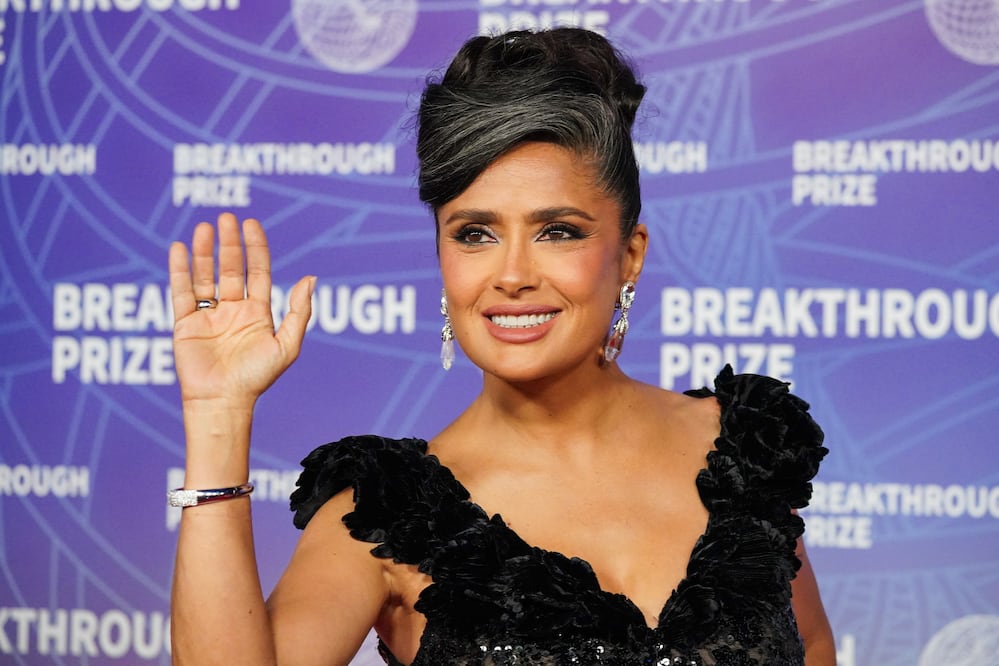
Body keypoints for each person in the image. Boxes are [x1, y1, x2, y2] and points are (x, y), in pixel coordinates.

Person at [168, 28, 834, 666]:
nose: (511, 275)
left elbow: (807, 647)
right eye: (475, 234)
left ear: (629, 256)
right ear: (440, 255)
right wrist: (217, 416)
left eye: (558, 231)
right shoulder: (389, 518)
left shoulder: (743, 453)